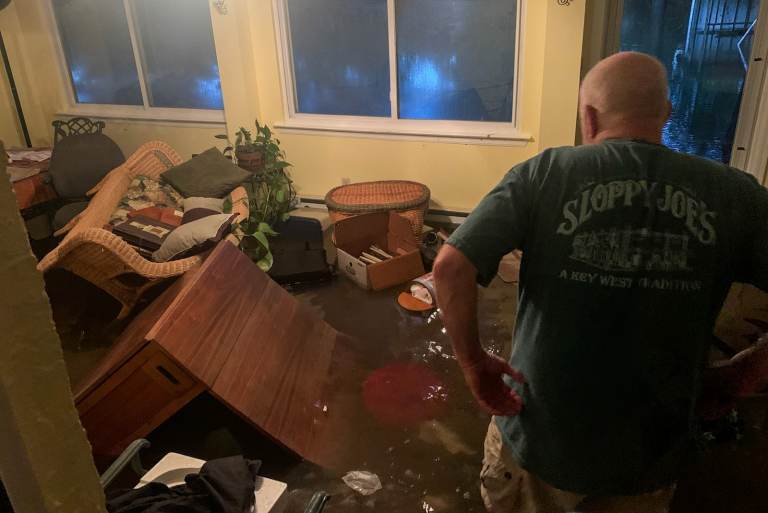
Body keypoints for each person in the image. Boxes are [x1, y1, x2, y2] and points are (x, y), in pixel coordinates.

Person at [433, 51, 768, 513]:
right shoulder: (736, 194)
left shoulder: (545, 173)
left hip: (540, 443)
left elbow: (450, 267)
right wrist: (746, 371)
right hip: (649, 457)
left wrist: (474, 365)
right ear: (665, 113)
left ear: (588, 117)